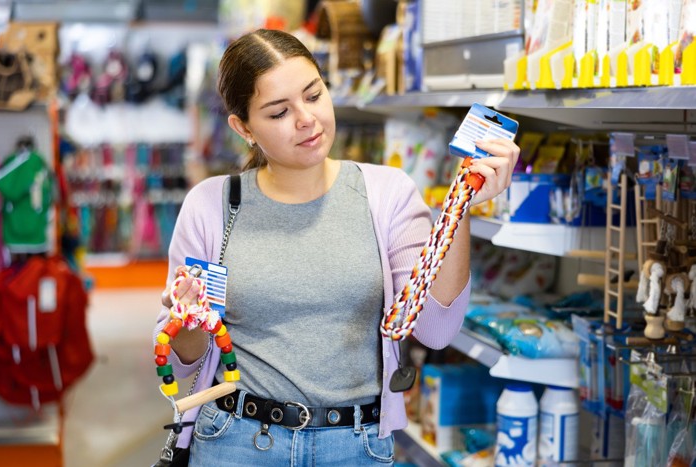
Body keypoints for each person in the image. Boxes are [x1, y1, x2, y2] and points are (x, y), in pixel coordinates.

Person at [154, 28, 520, 466]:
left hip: (356, 447)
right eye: (278, 112)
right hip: (238, 442)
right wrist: (187, 319)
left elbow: (435, 330)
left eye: (313, 95)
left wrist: (462, 206)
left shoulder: (387, 194)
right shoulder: (211, 206)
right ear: (243, 128)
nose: (306, 119)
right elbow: (183, 364)